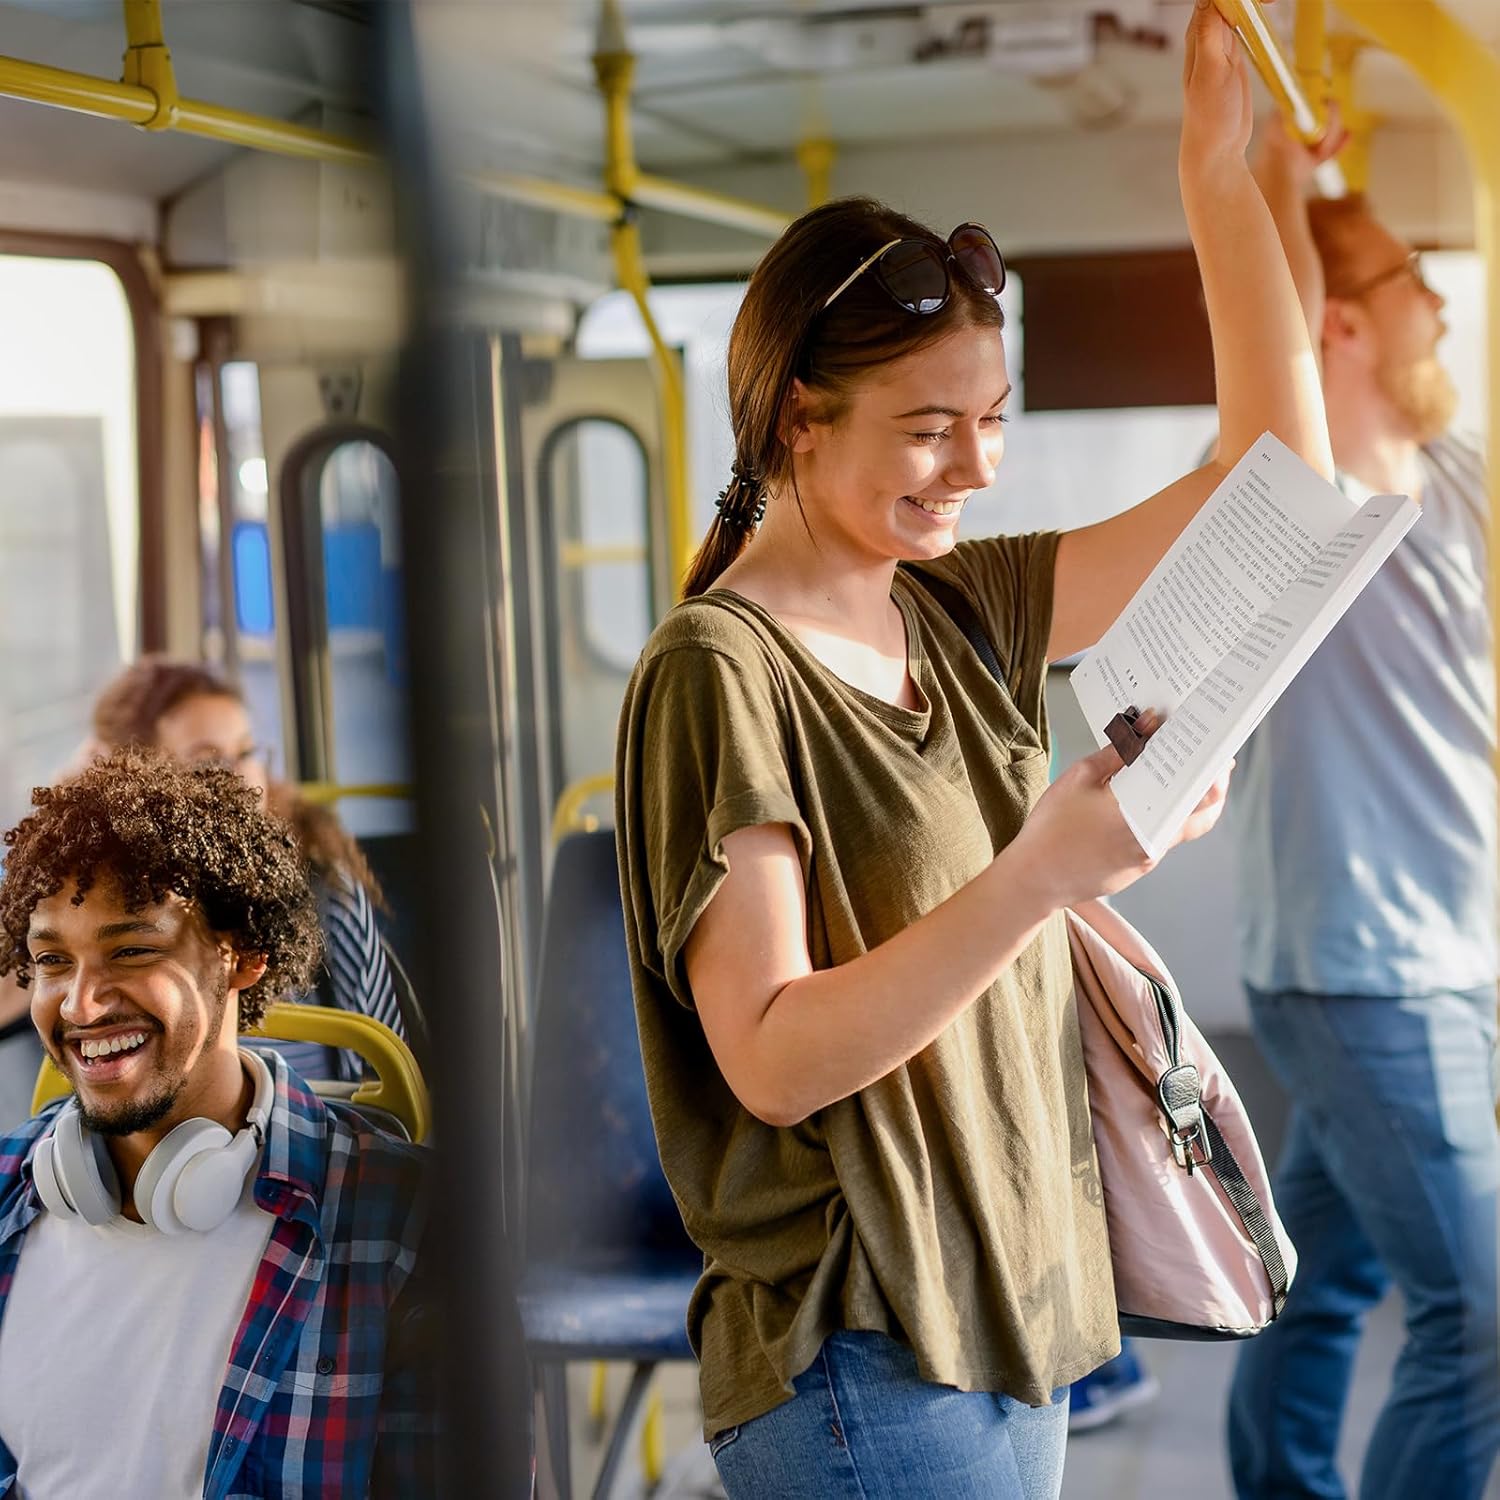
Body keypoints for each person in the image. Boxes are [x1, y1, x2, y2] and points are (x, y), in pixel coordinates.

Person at [614, 4, 1333, 1494]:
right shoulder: (715, 673)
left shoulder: (962, 607)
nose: (979, 465)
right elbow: (773, 1058)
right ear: (800, 422)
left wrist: (1218, 175)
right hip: (862, 1353)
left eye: (994, 418)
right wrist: (1038, 874)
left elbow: (1277, 490)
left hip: (1020, 1312)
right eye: (931, 425)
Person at [1225, 119, 1500, 1500]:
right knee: (1484, 1319)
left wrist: (1326, 176)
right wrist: (1272, 175)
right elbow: (1270, 313)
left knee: (1319, 1288)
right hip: (1365, 976)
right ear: (1337, 323)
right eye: (1410, 280)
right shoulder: (1308, 496)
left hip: (1447, 959)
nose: (1442, 301)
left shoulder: (1452, 479)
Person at [0, 749, 435, 1496]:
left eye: (131, 950)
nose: (80, 1005)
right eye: (52, 961)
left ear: (243, 956)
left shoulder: (400, 1220)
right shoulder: (10, 1189)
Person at [84, 656, 407, 1081]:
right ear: (139, 781)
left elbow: (380, 1078)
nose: (243, 779)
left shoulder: (322, 885)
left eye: (248, 752)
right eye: (210, 763)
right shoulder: (94, 900)